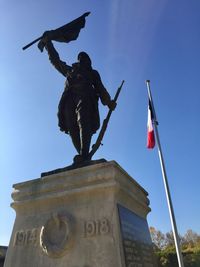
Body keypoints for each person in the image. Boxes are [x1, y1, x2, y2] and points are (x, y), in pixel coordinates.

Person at [38, 32, 116, 163]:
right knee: (71, 125)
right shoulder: (70, 71)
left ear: (88, 61)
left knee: (83, 121)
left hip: (85, 97)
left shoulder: (92, 73)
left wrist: (108, 102)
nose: (81, 58)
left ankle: (84, 153)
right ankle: (82, 155)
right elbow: (56, 61)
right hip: (69, 99)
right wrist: (48, 44)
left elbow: (100, 88)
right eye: (79, 57)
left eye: (83, 57)